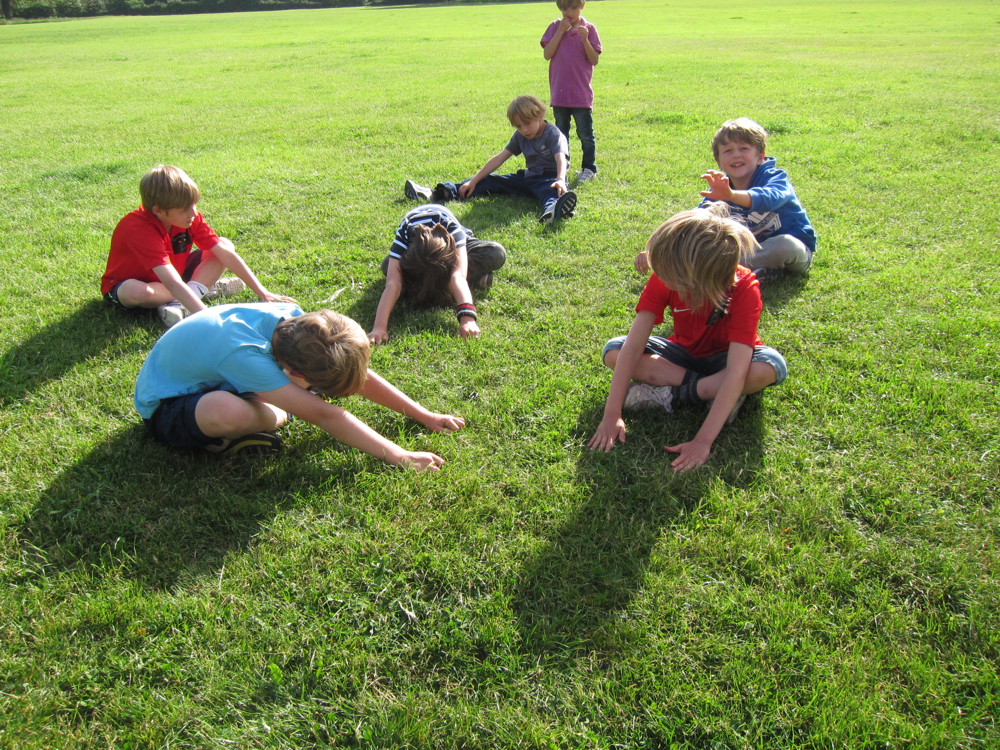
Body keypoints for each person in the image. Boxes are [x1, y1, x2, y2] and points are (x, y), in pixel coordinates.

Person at [134, 303, 465, 470]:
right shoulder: (244, 354)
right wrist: (400, 455)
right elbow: (325, 415)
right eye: (315, 387)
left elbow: (357, 375)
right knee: (224, 410)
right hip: (168, 408)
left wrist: (423, 415)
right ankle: (278, 410)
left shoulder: (296, 323)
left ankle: (285, 399)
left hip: (223, 377)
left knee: (264, 395)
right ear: (292, 370)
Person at [590, 203, 788, 473]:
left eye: (665, 271)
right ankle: (714, 394)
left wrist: (702, 442)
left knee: (769, 368)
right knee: (614, 350)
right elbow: (634, 345)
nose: (658, 274)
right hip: (681, 356)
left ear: (695, 280)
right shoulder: (663, 278)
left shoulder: (744, 288)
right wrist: (612, 414)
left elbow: (736, 370)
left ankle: (676, 395)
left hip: (726, 362)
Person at [102, 165, 295, 328]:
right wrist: (209, 319)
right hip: (138, 286)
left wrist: (262, 292)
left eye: (194, 205)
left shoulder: (189, 218)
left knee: (225, 244)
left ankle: (182, 303)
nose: (193, 213)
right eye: (185, 209)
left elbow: (225, 254)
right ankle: (200, 291)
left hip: (175, 275)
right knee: (135, 291)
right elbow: (171, 282)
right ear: (158, 211)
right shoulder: (138, 228)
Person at [635, 118, 816, 280]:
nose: (736, 154)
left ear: (760, 156)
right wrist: (657, 251)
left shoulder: (774, 177)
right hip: (746, 252)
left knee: (785, 245)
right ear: (719, 162)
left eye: (744, 148)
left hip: (794, 252)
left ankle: (719, 270)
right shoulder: (721, 189)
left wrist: (731, 196)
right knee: (706, 242)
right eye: (728, 150)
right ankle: (753, 272)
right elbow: (695, 222)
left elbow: (771, 198)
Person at [403, 95, 578, 225]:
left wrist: (560, 179)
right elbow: (500, 158)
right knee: (489, 180)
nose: (524, 130)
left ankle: (554, 209)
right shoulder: (520, 136)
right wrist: (473, 180)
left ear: (539, 116)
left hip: (550, 178)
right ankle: (438, 193)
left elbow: (560, 158)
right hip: (529, 177)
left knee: (551, 192)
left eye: (527, 123)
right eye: (518, 126)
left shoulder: (553, 134)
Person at [368, 204, 506, 344]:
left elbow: (458, 276)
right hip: (416, 253)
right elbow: (393, 283)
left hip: (452, 244)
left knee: (495, 252)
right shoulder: (405, 234)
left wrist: (468, 319)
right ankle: (464, 280)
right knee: (388, 266)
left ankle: (435, 280)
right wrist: (379, 327)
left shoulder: (453, 230)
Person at [540, 0, 602, 183]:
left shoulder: (589, 29)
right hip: (559, 94)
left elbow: (594, 60)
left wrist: (585, 39)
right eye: (564, 8)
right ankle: (562, 169)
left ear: (582, 6)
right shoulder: (555, 27)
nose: (569, 12)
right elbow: (547, 54)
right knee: (561, 136)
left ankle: (589, 168)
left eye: (574, 7)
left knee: (585, 135)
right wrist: (560, 31)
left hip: (580, 94)